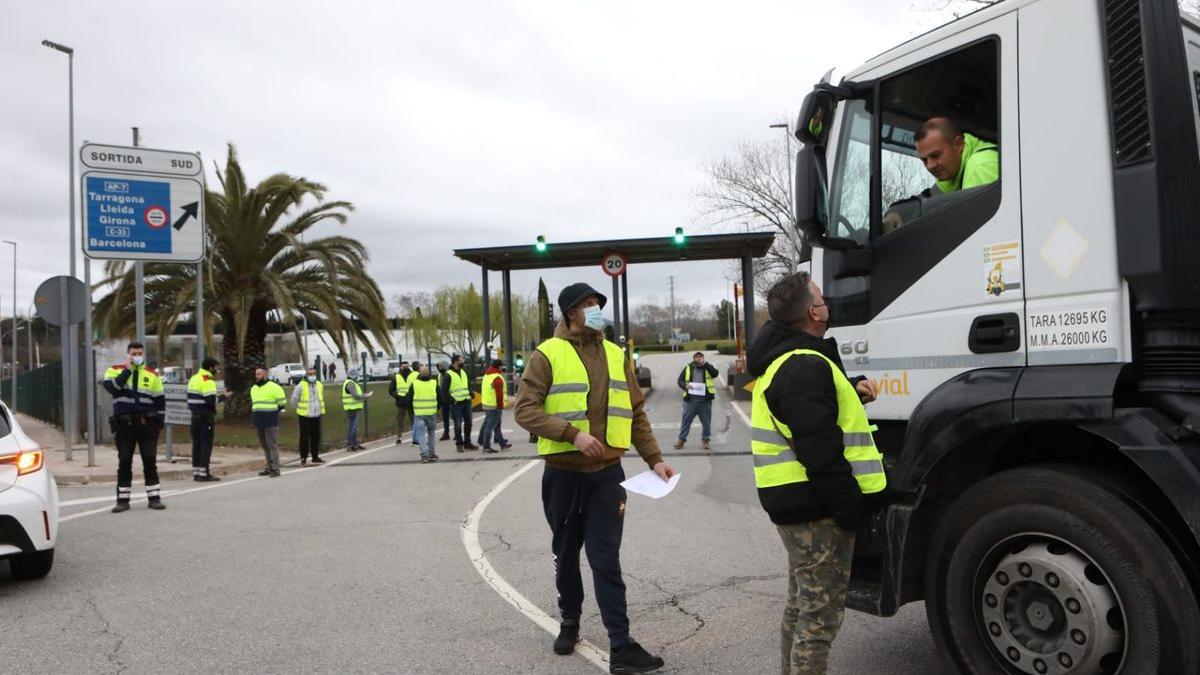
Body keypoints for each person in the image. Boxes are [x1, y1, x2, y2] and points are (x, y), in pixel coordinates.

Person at [515, 282, 675, 673]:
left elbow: (635, 411)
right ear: (570, 312)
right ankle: (570, 621)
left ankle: (621, 645)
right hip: (564, 475)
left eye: (598, 303)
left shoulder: (616, 354)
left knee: (606, 558)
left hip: (607, 475)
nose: (596, 309)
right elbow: (524, 410)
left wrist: (654, 458)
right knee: (566, 553)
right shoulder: (547, 354)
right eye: (588, 304)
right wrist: (572, 434)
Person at [746, 271, 887, 675]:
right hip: (816, 510)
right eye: (821, 298)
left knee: (802, 605)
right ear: (813, 311)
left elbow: (817, 421)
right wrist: (851, 511)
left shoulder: (793, 361)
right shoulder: (803, 366)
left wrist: (849, 388)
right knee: (819, 618)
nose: (827, 303)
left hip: (800, 506)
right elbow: (821, 454)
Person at [883, 116, 999, 232]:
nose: (930, 166)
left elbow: (975, 233)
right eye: (924, 160)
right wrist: (898, 213)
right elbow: (930, 197)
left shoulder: (980, 166)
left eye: (935, 156)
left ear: (958, 145)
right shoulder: (954, 172)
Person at [103, 341, 166, 512]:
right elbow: (113, 389)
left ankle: (154, 498)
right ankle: (122, 500)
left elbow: (160, 400)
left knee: (150, 460)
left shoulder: (152, 374)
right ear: (127, 354)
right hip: (124, 424)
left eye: (139, 353)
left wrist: (159, 423)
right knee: (124, 461)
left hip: (147, 424)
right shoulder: (114, 370)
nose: (136, 356)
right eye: (133, 353)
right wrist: (127, 370)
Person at [187, 357, 229, 482]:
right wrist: (223, 397)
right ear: (211, 367)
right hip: (205, 417)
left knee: (197, 444)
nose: (217, 370)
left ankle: (197, 472)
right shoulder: (208, 381)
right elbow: (211, 401)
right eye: (216, 367)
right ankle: (204, 473)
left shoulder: (194, 378)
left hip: (194, 416)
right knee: (206, 445)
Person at [674, 352, 719, 451]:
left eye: (700, 357)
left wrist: (705, 364)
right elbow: (680, 380)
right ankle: (681, 440)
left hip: (704, 401)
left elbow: (715, 373)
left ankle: (705, 441)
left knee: (706, 422)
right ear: (694, 358)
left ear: (703, 358)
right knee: (686, 421)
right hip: (690, 400)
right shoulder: (688, 368)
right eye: (697, 357)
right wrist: (685, 386)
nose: (698, 358)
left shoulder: (708, 367)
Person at [250, 367, 287, 477]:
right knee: (264, 445)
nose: (257, 376)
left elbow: (282, 403)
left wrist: (273, 412)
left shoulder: (274, 387)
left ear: (265, 374)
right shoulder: (254, 388)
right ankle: (269, 466)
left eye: (259, 374)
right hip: (259, 420)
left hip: (270, 419)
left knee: (272, 444)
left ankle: (276, 468)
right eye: (256, 374)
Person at [290, 367, 326, 466]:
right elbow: (293, 401)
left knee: (316, 436)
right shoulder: (300, 386)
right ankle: (303, 458)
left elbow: (320, 398)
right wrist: (300, 409)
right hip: (304, 415)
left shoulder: (319, 385)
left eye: (313, 374)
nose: (312, 376)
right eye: (310, 374)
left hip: (316, 414)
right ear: (306, 375)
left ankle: (315, 456)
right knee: (304, 438)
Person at [477, 359, 513, 453]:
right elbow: (499, 394)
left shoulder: (487, 375)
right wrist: (501, 406)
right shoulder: (497, 377)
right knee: (490, 426)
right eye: (501, 366)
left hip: (487, 403)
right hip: (494, 405)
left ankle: (502, 444)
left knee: (495, 425)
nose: (502, 367)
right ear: (499, 366)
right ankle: (486, 446)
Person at [444, 355, 477, 452]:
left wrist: (471, 393)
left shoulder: (463, 372)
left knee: (469, 423)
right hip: (456, 403)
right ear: (455, 362)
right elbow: (444, 390)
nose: (462, 362)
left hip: (466, 401)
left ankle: (467, 443)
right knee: (458, 424)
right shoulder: (448, 374)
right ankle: (459, 444)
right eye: (461, 360)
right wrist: (452, 400)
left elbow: (467, 385)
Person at [408, 364, 440, 463]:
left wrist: (412, 409)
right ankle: (431, 453)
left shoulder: (415, 384)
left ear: (419, 374)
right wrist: (436, 408)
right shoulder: (434, 383)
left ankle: (424, 455)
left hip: (419, 413)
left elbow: (409, 398)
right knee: (431, 434)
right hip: (431, 413)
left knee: (421, 434)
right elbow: (440, 398)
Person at [343, 367, 373, 451]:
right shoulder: (351, 383)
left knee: (354, 427)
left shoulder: (351, 382)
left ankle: (355, 443)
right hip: (352, 408)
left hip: (354, 407)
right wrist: (366, 396)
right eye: (356, 375)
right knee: (352, 427)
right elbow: (356, 396)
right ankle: (350, 444)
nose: (357, 376)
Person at [388, 361, 416, 444]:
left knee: (414, 420)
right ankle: (398, 437)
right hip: (400, 402)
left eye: (406, 366)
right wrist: (397, 396)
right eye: (403, 366)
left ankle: (416, 436)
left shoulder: (414, 375)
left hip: (411, 401)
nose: (405, 368)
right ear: (400, 367)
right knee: (399, 421)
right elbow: (391, 390)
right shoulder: (396, 376)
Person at [437, 361, 452, 441]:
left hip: (450, 397)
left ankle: (457, 433)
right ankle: (446, 432)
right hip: (443, 399)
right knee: (445, 417)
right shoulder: (439, 375)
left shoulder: (450, 373)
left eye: (441, 366)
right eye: (439, 366)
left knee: (455, 417)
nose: (440, 368)